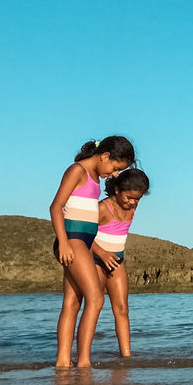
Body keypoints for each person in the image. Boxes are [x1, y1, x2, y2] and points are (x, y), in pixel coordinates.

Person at [50, 137, 135, 368]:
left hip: (83, 243)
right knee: (96, 298)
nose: (115, 174)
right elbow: (56, 207)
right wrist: (64, 242)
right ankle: (84, 362)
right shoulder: (77, 170)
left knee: (72, 302)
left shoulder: (96, 179)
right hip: (73, 241)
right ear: (105, 156)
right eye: (115, 168)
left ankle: (63, 363)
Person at [91, 168, 149, 357]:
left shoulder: (132, 206)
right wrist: (102, 253)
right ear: (117, 190)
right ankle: (84, 354)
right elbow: (83, 235)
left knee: (122, 308)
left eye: (137, 199)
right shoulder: (102, 208)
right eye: (129, 197)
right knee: (94, 306)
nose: (133, 203)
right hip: (96, 260)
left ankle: (126, 356)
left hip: (117, 262)